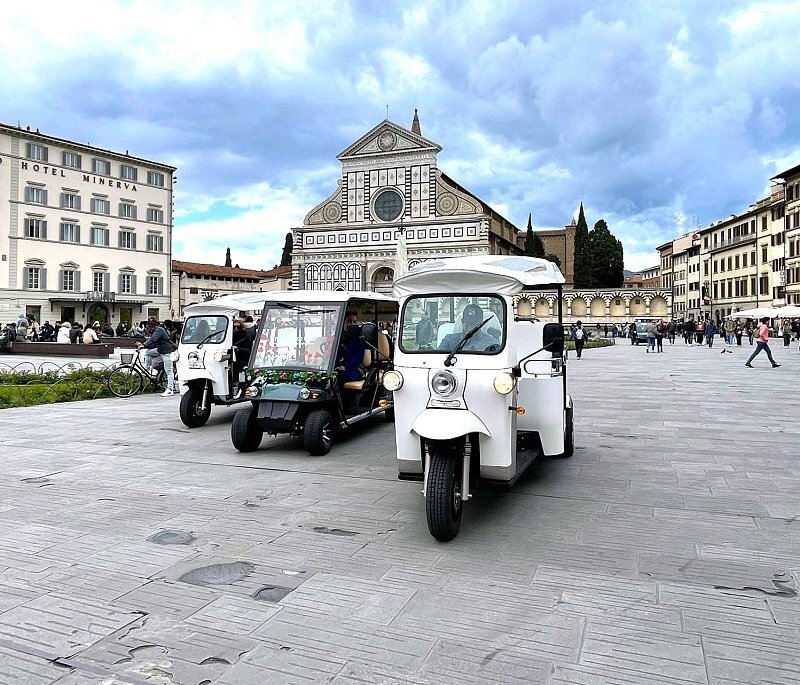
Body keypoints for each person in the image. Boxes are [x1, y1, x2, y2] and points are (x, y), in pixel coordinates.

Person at [137, 320, 177, 396]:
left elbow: (153, 340)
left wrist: (143, 345)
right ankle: (147, 369)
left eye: (148, 328)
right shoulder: (156, 330)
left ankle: (170, 389)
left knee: (169, 370)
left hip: (167, 351)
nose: (147, 330)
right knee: (149, 353)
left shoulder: (159, 330)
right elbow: (153, 343)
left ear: (152, 326)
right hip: (160, 350)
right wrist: (143, 345)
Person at [337, 311, 365, 385]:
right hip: (336, 367)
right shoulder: (337, 337)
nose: (352, 324)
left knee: (339, 376)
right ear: (343, 323)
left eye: (354, 322)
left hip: (351, 369)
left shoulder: (358, 340)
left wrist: (346, 366)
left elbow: (358, 357)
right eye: (349, 321)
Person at [232, 319, 253, 397]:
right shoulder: (228, 336)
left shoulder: (245, 335)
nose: (236, 329)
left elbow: (248, 350)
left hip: (242, 358)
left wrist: (238, 349)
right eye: (234, 327)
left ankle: (238, 387)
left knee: (236, 365)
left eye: (238, 327)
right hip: (232, 357)